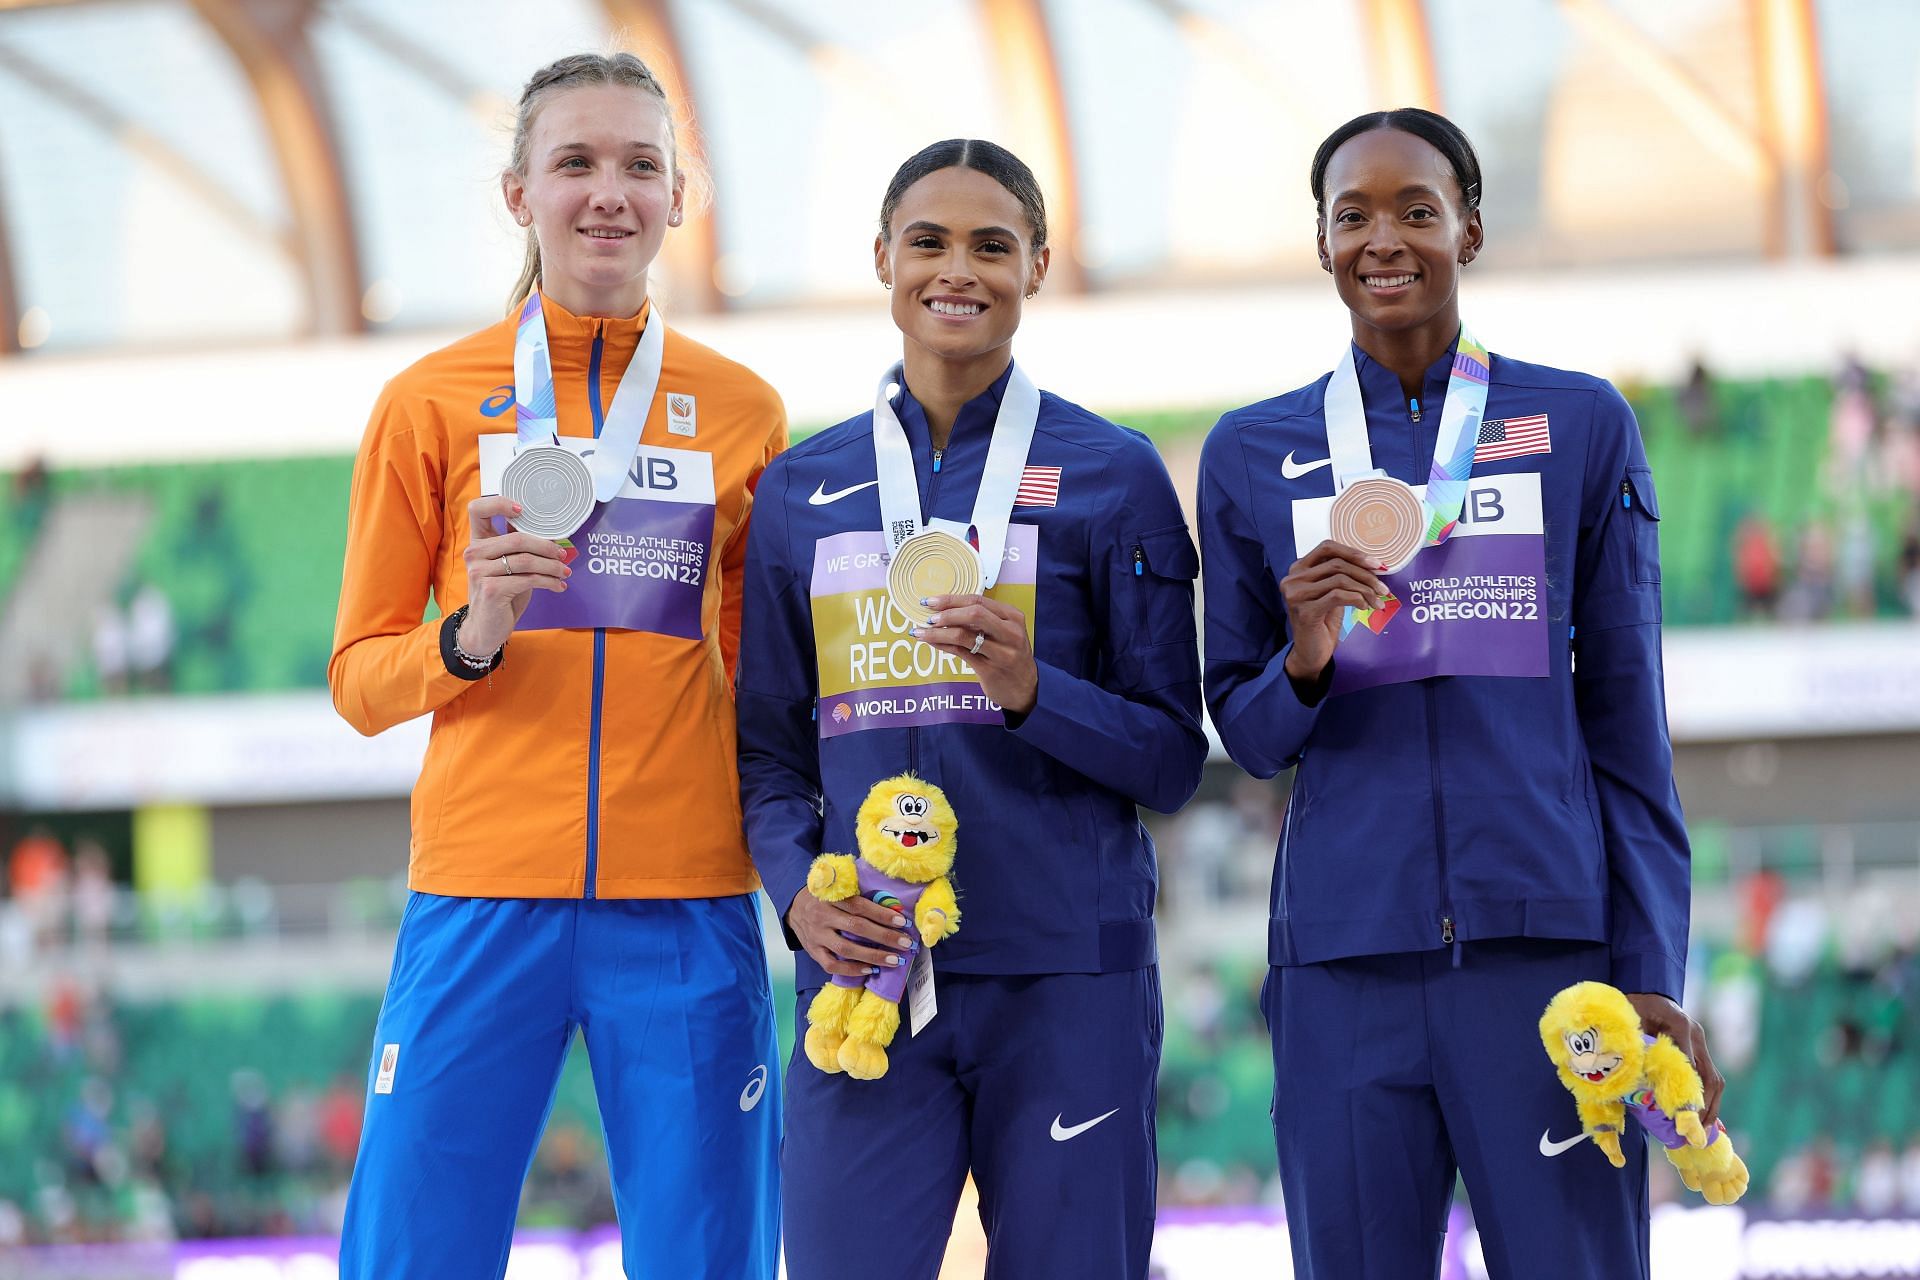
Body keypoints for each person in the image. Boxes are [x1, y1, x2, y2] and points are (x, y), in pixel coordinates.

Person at [1197, 108, 1719, 1279]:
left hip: (1550, 967)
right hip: (1341, 968)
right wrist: (1308, 655)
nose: (1385, 239)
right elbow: (1247, 728)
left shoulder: (1578, 423)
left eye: (1417, 211)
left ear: (1469, 231)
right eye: (1354, 215)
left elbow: (1629, 723)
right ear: (1321, 242)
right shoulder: (1252, 450)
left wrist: (1647, 967)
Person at [328, 52, 785, 1279]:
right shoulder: (429, 401)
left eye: (641, 164)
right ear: (518, 192)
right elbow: (360, 676)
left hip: (687, 898)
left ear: (679, 199)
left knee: (711, 1258)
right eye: (574, 161)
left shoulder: (743, 410)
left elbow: (762, 682)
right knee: (412, 1254)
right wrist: (468, 635)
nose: (608, 192)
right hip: (480, 896)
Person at [737, 139, 1205, 1279]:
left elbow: (1171, 758)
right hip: (864, 977)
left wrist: (1037, 693)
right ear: (884, 259)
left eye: (993, 244)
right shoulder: (804, 488)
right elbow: (765, 751)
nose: (960, 268)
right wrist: (799, 888)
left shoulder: (1113, 471)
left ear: (1037, 264)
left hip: (1064, 981)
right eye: (931, 241)